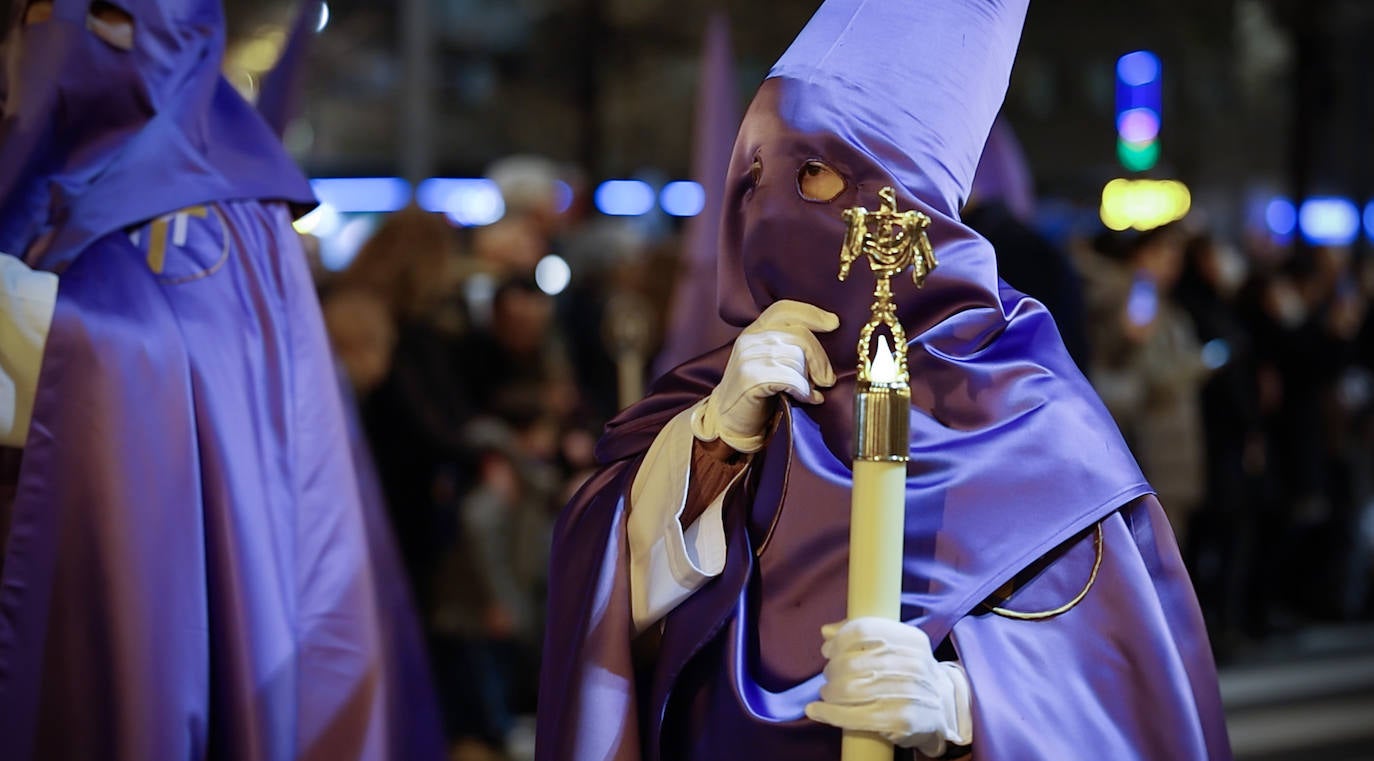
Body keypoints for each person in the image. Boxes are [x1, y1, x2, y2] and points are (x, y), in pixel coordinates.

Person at [537, 1, 1230, 760]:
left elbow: (1130, 693)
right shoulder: (732, 387)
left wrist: (968, 705)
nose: (771, 209)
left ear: (905, 203)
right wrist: (710, 447)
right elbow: (604, 625)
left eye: (814, 174)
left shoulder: (1035, 420)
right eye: (756, 173)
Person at [0, 2, 442, 758]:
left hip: (162, 581)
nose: (37, 47)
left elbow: (181, 378)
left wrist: (26, 318)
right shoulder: (57, 177)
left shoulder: (211, 204)